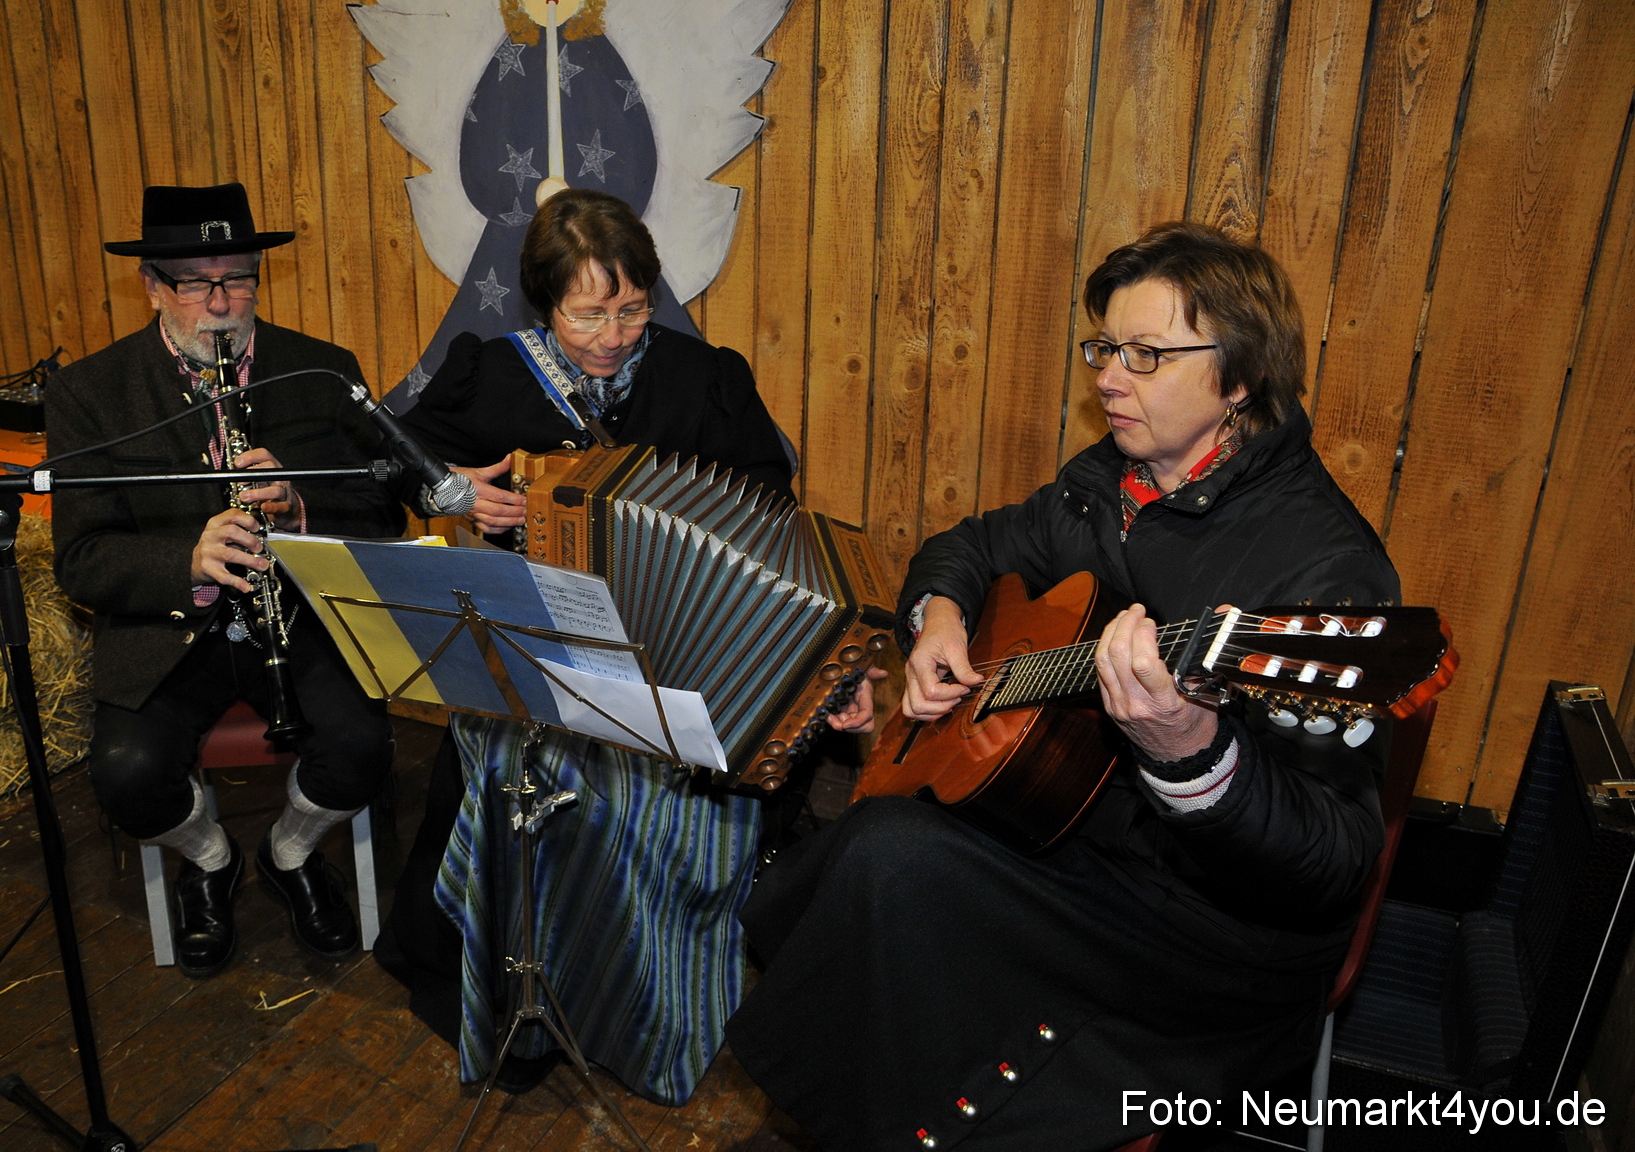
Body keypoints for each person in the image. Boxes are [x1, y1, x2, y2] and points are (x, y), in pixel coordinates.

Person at [724, 221, 1402, 1151]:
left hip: (1207, 924)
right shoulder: (1110, 482)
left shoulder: (1323, 570)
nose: (1110, 379)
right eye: (1105, 349)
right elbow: (967, 547)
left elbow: (1333, 862)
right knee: (885, 840)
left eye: (1146, 355)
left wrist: (1191, 754)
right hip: (1083, 825)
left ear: (1239, 380)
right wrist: (941, 622)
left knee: (892, 859)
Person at [375, 187, 869, 1106]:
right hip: (547, 634)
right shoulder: (489, 373)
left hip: (683, 633)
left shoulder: (702, 375)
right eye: (587, 313)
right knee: (508, 755)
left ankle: (647, 974)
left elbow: (767, 500)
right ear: (544, 303)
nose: (612, 333)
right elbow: (398, 454)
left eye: (631, 308)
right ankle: (517, 970)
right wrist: (451, 493)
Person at [48, 183, 407, 978]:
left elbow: (384, 510)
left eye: (238, 277)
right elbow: (81, 559)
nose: (220, 301)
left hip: (302, 615)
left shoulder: (322, 370)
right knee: (127, 777)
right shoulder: (90, 394)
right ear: (151, 286)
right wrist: (187, 556)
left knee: (362, 747)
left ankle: (289, 851)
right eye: (194, 282)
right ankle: (209, 857)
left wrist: (303, 501)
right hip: (172, 627)